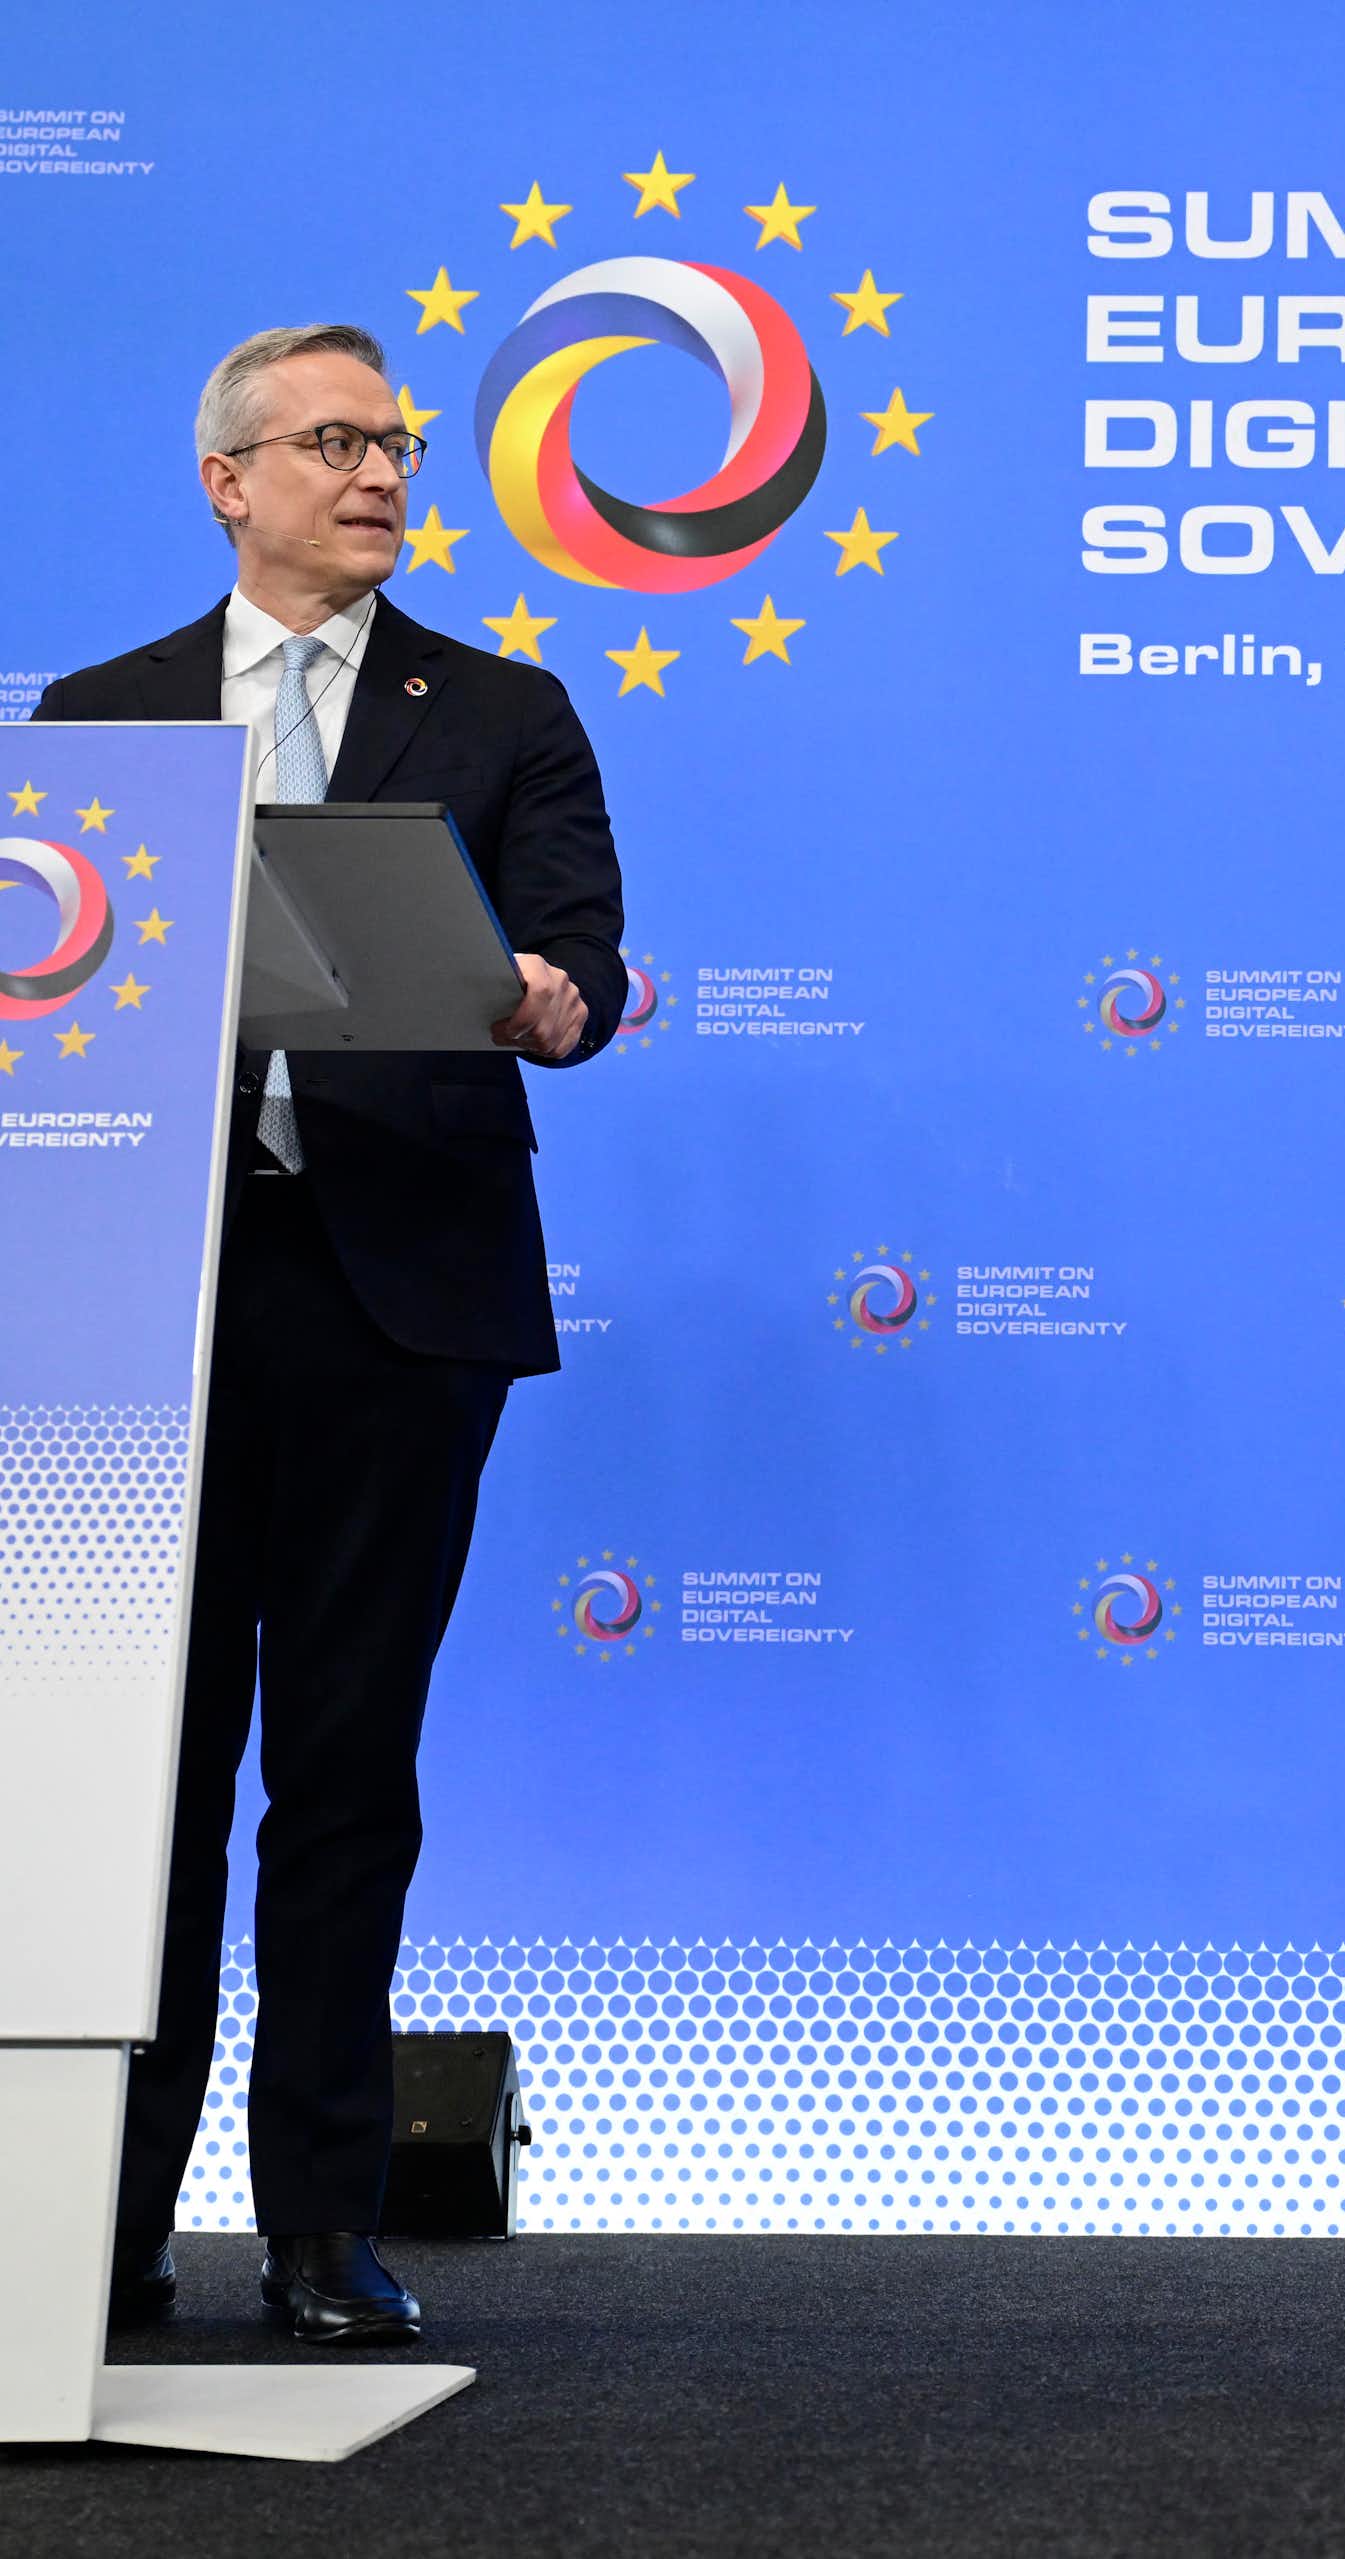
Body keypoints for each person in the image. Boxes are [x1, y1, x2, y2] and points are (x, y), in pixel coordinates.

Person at [35, 323, 625, 2344]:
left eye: (393, 442)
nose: (379, 472)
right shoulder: (99, 711)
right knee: (139, 1789)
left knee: (347, 1775)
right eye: (335, 441)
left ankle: (315, 2226)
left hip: (400, 1302)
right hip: (147, 1306)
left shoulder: (504, 708)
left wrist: (553, 995)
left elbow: (583, 952)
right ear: (232, 478)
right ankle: (89, 2230)